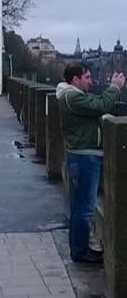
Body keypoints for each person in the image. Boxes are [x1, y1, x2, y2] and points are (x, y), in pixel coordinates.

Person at [56, 63, 125, 264]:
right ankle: (80, 251)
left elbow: (97, 104)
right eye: (86, 77)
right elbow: (100, 105)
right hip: (85, 157)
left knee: (81, 206)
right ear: (75, 79)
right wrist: (115, 87)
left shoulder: (73, 95)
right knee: (84, 209)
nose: (91, 81)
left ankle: (80, 248)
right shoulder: (72, 97)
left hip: (83, 156)